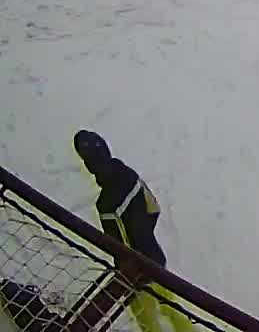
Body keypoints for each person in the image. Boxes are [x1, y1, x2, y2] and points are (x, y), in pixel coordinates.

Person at [70, 131, 193, 332]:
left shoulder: (106, 205)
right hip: (156, 258)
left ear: (89, 166)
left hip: (134, 276)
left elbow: (119, 250)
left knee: (148, 323)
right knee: (171, 308)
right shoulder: (129, 175)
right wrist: (144, 235)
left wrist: (128, 267)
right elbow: (154, 208)